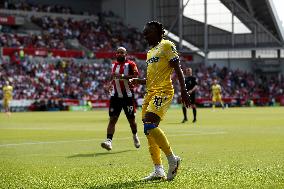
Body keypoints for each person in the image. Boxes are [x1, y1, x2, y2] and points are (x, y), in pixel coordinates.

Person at [130, 21, 191, 181]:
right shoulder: (150, 52)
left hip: (163, 91)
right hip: (150, 93)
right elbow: (151, 79)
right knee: (149, 131)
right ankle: (158, 170)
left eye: (147, 32)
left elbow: (177, 68)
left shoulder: (167, 45)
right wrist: (139, 81)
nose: (145, 35)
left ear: (157, 32)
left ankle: (173, 159)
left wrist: (184, 90)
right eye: (144, 32)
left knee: (150, 124)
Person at [101, 47, 140, 151]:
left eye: (121, 52)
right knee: (112, 119)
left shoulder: (131, 64)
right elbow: (113, 76)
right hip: (115, 96)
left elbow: (136, 76)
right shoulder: (113, 64)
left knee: (131, 120)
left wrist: (121, 75)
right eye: (118, 52)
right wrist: (109, 84)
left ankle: (135, 135)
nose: (119, 54)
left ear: (125, 54)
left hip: (128, 97)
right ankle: (109, 141)